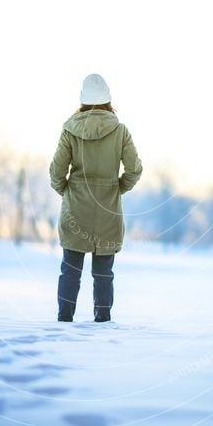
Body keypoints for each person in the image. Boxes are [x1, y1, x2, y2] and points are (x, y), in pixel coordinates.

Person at [49, 73, 143, 322]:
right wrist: (116, 189)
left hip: (75, 210)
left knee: (70, 270)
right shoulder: (120, 131)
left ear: (82, 100)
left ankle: (64, 320)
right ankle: (103, 321)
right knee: (103, 273)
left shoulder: (69, 129)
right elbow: (135, 169)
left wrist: (68, 192)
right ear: (108, 100)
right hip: (108, 211)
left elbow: (56, 172)